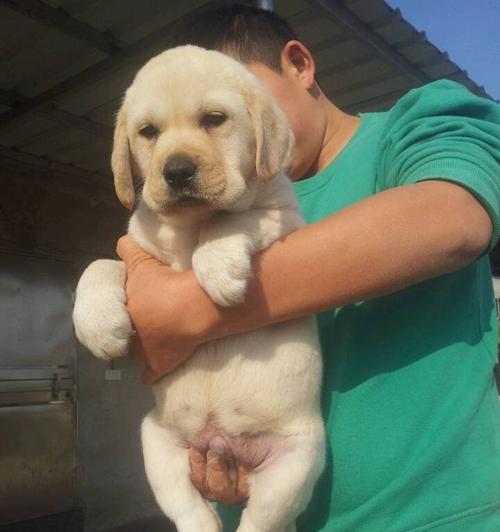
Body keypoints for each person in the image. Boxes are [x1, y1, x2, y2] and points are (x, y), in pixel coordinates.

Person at [115, 4, 500, 531]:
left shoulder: (416, 121)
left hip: (444, 517)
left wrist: (190, 308)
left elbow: (453, 218)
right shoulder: (220, 210)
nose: (251, 133)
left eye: (216, 116)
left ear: (299, 65)